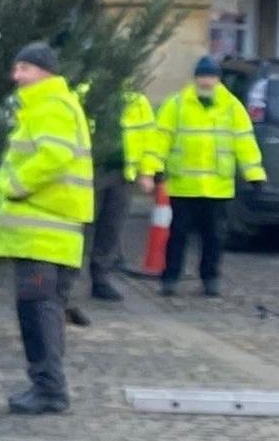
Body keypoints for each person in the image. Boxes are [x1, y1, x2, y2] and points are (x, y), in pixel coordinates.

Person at [0, 43, 92, 416]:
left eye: (25, 69)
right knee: (41, 309)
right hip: (49, 230)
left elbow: (53, 156)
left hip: (44, 231)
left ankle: (49, 388)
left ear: (45, 72)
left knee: (39, 311)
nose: (17, 77)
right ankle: (46, 385)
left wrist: (13, 184)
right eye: (16, 69)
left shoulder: (51, 106)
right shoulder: (48, 106)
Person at [155, 56, 265, 298]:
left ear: (218, 79)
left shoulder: (231, 107)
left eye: (211, 76)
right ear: (195, 78)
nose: (206, 81)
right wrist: (154, 167)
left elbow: (244, 142)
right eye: (203, 76)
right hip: (184, 186)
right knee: (178, 237)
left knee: (214, 238)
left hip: (217, 188)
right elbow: (160, 139)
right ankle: (170, 278)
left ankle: (210, 278)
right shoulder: (177, 105)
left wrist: (254, 174)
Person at [88, 81, 157, 301]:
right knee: (81, 227)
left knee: (111, 227)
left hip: (122, 173)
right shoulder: (86, 91)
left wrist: (147, 173)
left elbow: (149, 141)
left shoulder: (137, 101)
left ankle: (101, 278)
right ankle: (64, 280)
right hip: (91, 170)